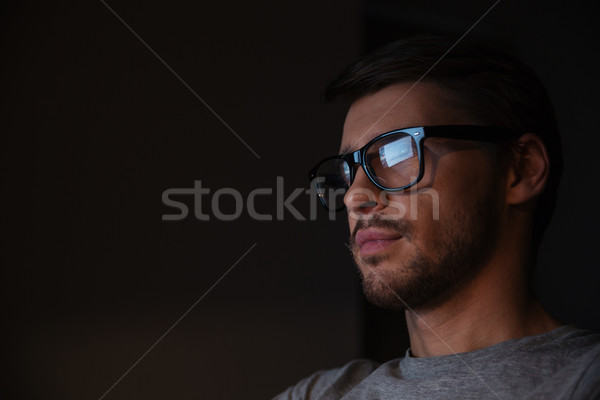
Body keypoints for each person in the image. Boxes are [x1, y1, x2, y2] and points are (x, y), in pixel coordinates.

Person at [273, 36, 600, 399]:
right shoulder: (319, 394)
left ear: (521, 169)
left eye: (397, 152)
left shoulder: (583, 381)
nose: (355, 195)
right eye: (348, 171)